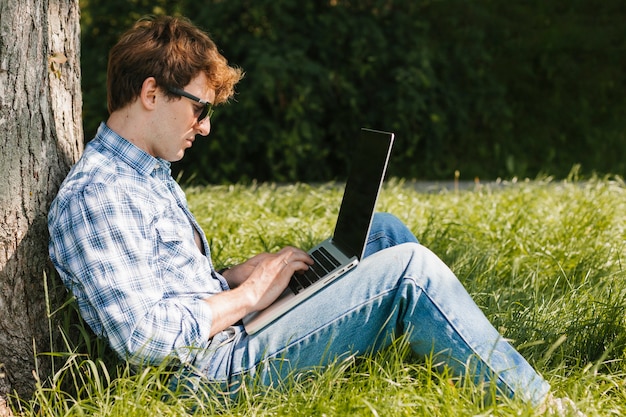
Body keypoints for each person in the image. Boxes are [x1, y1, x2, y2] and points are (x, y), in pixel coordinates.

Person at [48, 15, 577, 413]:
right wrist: (251, 296)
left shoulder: (144, 173)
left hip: (234, 335)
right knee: (408, 270)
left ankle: (450, 359)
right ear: (150, 93)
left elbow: (166, 284)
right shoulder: (98, 195)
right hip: (211, 378)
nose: (205, 127)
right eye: (199, 108)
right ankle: (542, 405)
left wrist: (238, 276)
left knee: (384, 234)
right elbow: (144, 339)